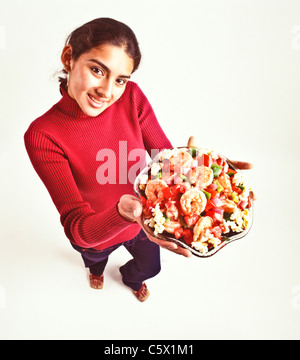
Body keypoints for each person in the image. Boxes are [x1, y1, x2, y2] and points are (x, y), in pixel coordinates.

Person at [24, 18, 253, 302]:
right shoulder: (43, 134)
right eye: (97, 70)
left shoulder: (131, 97)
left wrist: (201, 167)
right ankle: (96, 271)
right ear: (69, 58)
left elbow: (165, 160)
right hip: (96, 236)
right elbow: (77, 226)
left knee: (151, 267)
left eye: (120, 79)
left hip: (145, 223)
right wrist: (121, 214)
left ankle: (130, 277)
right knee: (95, 259)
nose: (107, 92)